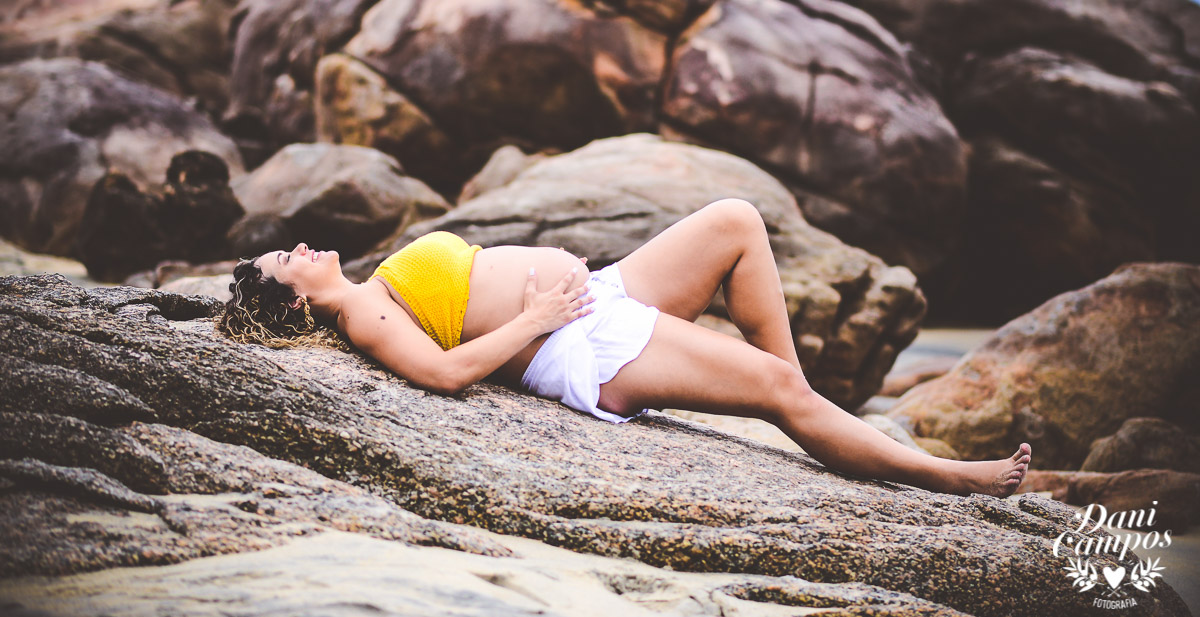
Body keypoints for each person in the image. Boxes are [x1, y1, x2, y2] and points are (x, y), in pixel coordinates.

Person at [220, 198, 1031, 496]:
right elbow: (443, 371)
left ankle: (804, 394)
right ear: (293, 296)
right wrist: (537, 316)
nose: (297, 250)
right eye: (283, 260)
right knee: (782, 396)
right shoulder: (362, 316)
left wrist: (556, 296)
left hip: (597, 297)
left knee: (735, 222)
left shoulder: (370, 286)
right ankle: (946, 475)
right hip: (585, 344)